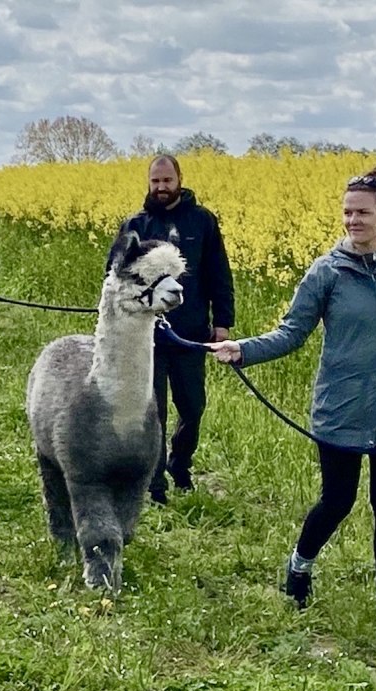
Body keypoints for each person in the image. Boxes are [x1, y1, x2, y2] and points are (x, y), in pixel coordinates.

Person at [208, 161, 376, 644]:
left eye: (362, 213)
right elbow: (292, 333)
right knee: (337, 500)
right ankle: (299, 567)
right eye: (346, 213)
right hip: (341, 407)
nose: (352, 221)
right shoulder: (327, 271)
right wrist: (243, 350)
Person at [109, 154, 235, 505]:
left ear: (179, 179)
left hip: (191, 333)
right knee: (154, 412)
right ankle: (155, 483)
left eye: (167, 180)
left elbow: (218, 274)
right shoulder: (135, 225)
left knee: (193, 408)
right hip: (144, 337)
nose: (161, 187)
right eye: (155, 182)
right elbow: (114, 276)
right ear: (148, 183)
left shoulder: (202, 221)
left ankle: (180, 463)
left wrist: (222, 322)